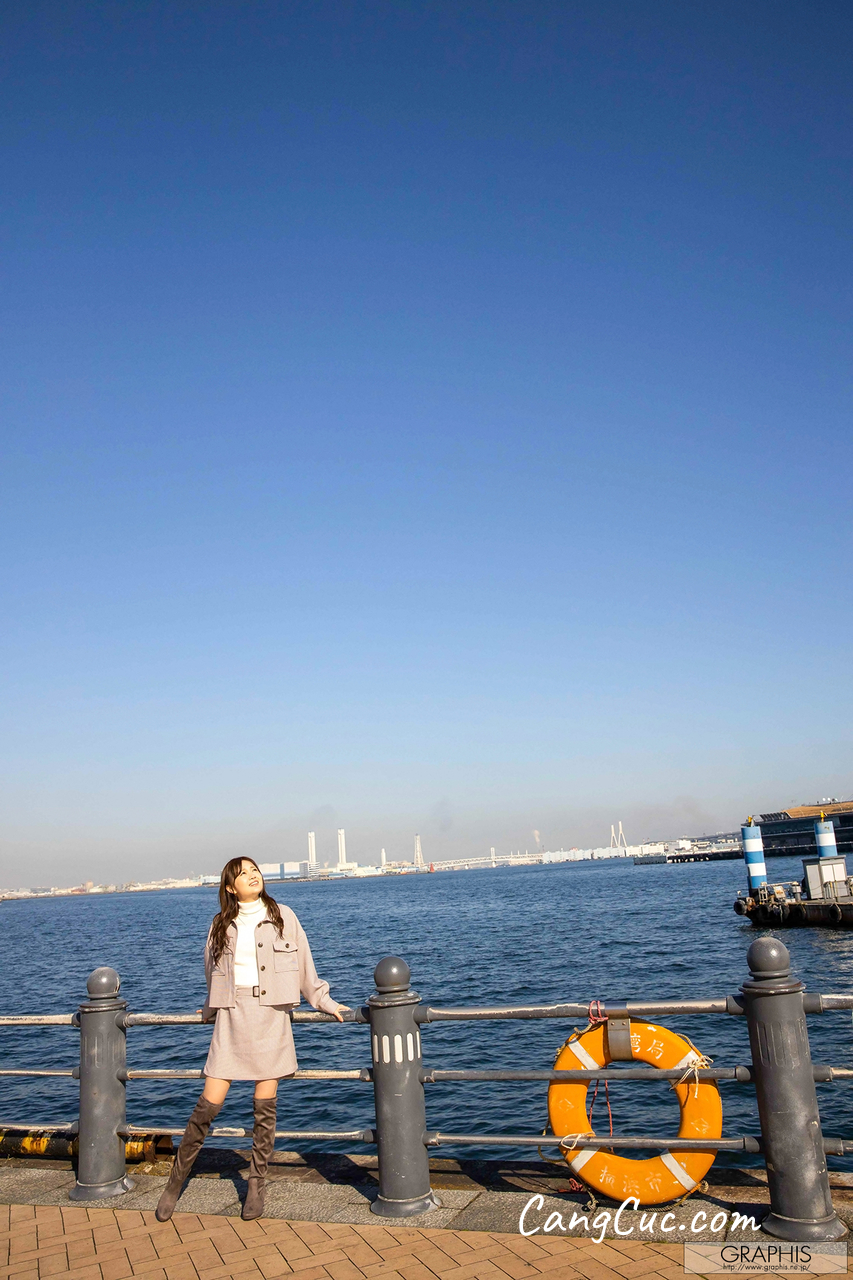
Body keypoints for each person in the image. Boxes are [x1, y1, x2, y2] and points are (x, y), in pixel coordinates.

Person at [156, 857, 349, 1222]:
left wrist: (324, 1001)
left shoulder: (283, 915)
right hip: (232, 1014)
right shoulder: (220, 923)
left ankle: (256, 1184)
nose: (252, 875)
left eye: (254, 870)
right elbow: (211, 969)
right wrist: (210, 1006)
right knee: (208, 1105)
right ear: (231, 887)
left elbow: (304, 965)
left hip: (271, 1013)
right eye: (243, 873)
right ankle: (174, 1183)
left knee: (264, 1107)